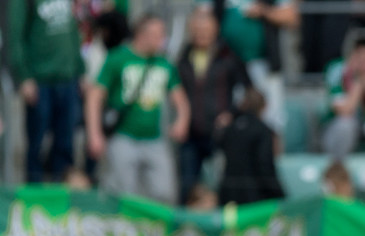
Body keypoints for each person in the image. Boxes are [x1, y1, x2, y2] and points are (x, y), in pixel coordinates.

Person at [85, 14, 190, 203]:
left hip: (155, 139)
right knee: (122, 195)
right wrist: (94, 134)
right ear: (143, 34)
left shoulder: (164, 63)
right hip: (123, 136)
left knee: (164, 192)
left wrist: (182, 121)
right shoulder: (117, 58)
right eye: (158, 35)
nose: (162, 40)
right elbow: (95, 96)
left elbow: (180, 99)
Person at [177, 5, 250, 204]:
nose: (201, 34)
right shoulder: (183, 58)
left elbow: (246, 91)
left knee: (223, 185)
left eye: (205, 29)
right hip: (191, 133)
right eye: (197, 29)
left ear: (215, 29)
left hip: (220, 133)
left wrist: (231, 114)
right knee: (188, 185)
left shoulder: (228, 57)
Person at [9, 0, 85, 183]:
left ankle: (61, 192)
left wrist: (80, 70)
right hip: (39, 79)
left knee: (66, 142)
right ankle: (34, 195)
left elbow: (72, 32)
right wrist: (24, 76)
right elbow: (15, 37)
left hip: (67, 79)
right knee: (37, 142)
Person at [209, 0, 298, 133]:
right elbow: (203, 19)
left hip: (264, 66)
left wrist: (264, 11)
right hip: (230, 67)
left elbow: (292, 18)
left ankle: (272, 152)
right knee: (235, 119)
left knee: (272, 120)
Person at [217, 88, 284, 205]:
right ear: (264, 106)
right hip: (254, 199)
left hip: (228, 195)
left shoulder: (230, 129)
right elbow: (265, 166)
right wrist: (279, 194)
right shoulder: (263, 131)